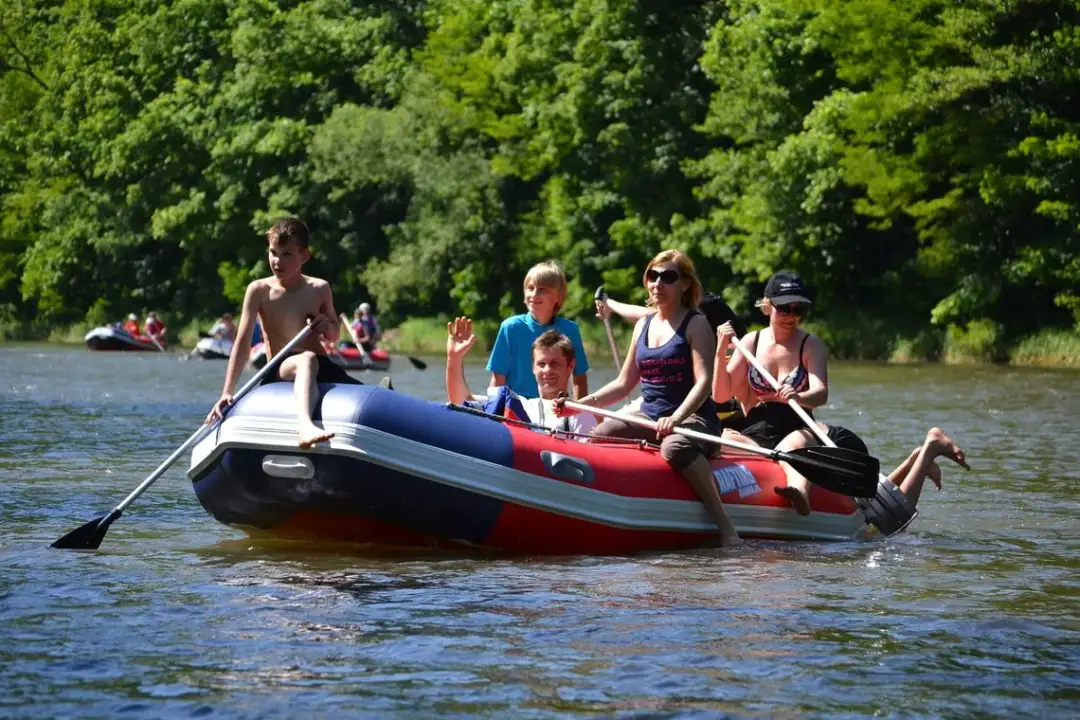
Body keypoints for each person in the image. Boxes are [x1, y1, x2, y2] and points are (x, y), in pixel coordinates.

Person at [557, 250, 741, 546]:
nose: (658, 283)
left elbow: (704, 383)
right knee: (603, 433)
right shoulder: (643, 325)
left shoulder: (696, 324)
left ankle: (726, 526)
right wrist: (579, 406)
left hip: (694, 418)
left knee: (674, 446)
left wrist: (676, 418)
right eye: (653, 276)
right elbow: (623, 383)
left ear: (684, 284)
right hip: (650, 416)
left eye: (668, 277)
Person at [206, 217, 361, 448]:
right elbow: (242, 342)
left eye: (287, 254)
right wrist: (227, 391)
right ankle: (305, 427)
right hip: (280, 366)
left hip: (321, 365)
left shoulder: (319, 288)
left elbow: (333, 336)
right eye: (273, 253)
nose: (277, 261)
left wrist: (326, 326)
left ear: (304, 256)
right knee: (306, 359)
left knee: (372, 394)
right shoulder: (259, 290)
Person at [712, 270, 831, 512]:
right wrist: (721, 349)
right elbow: (721, 395)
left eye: (798, 310)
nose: (791, 316)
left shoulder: (811, 345)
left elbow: (821, 394)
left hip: (797, 426)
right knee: (724, 440)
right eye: (784, 309)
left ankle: (799, 491)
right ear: (768, 306)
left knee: (790, 445)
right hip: (756, 429)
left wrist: (797, 396)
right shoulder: (750, 343)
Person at [769, 421, 969, 525]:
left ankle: (929, 451)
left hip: (827, 441)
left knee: (887, 522)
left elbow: (819, 393)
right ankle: (915, 461)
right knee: (871, 507)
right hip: (814, 442)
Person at [596, 290, 747, 424]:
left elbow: (645, 313)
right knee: (608, 422)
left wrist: (610, 304)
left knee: (611, 421)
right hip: (665, 401)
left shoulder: (700, 315)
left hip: (706, 406)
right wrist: (610, 303)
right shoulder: (673, 314)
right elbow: (646, 315)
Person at [447, 317, 597, 437]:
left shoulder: (580, 414)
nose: (547, 370)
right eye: (541, 364)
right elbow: (460, 402)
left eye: (555, 364)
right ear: (533, 367)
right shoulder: (518, 405)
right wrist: (454, 359)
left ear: (571, 366)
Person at [488, 260, 590, 399]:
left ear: (558, 297)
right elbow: (497, 380)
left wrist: (578, 408)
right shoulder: (510, 328)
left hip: (556, 404)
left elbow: (579, 380)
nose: (534, 294)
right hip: (517, 404)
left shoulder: (570, 330)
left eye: (543, 290)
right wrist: (493, 408)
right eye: (530, 288)